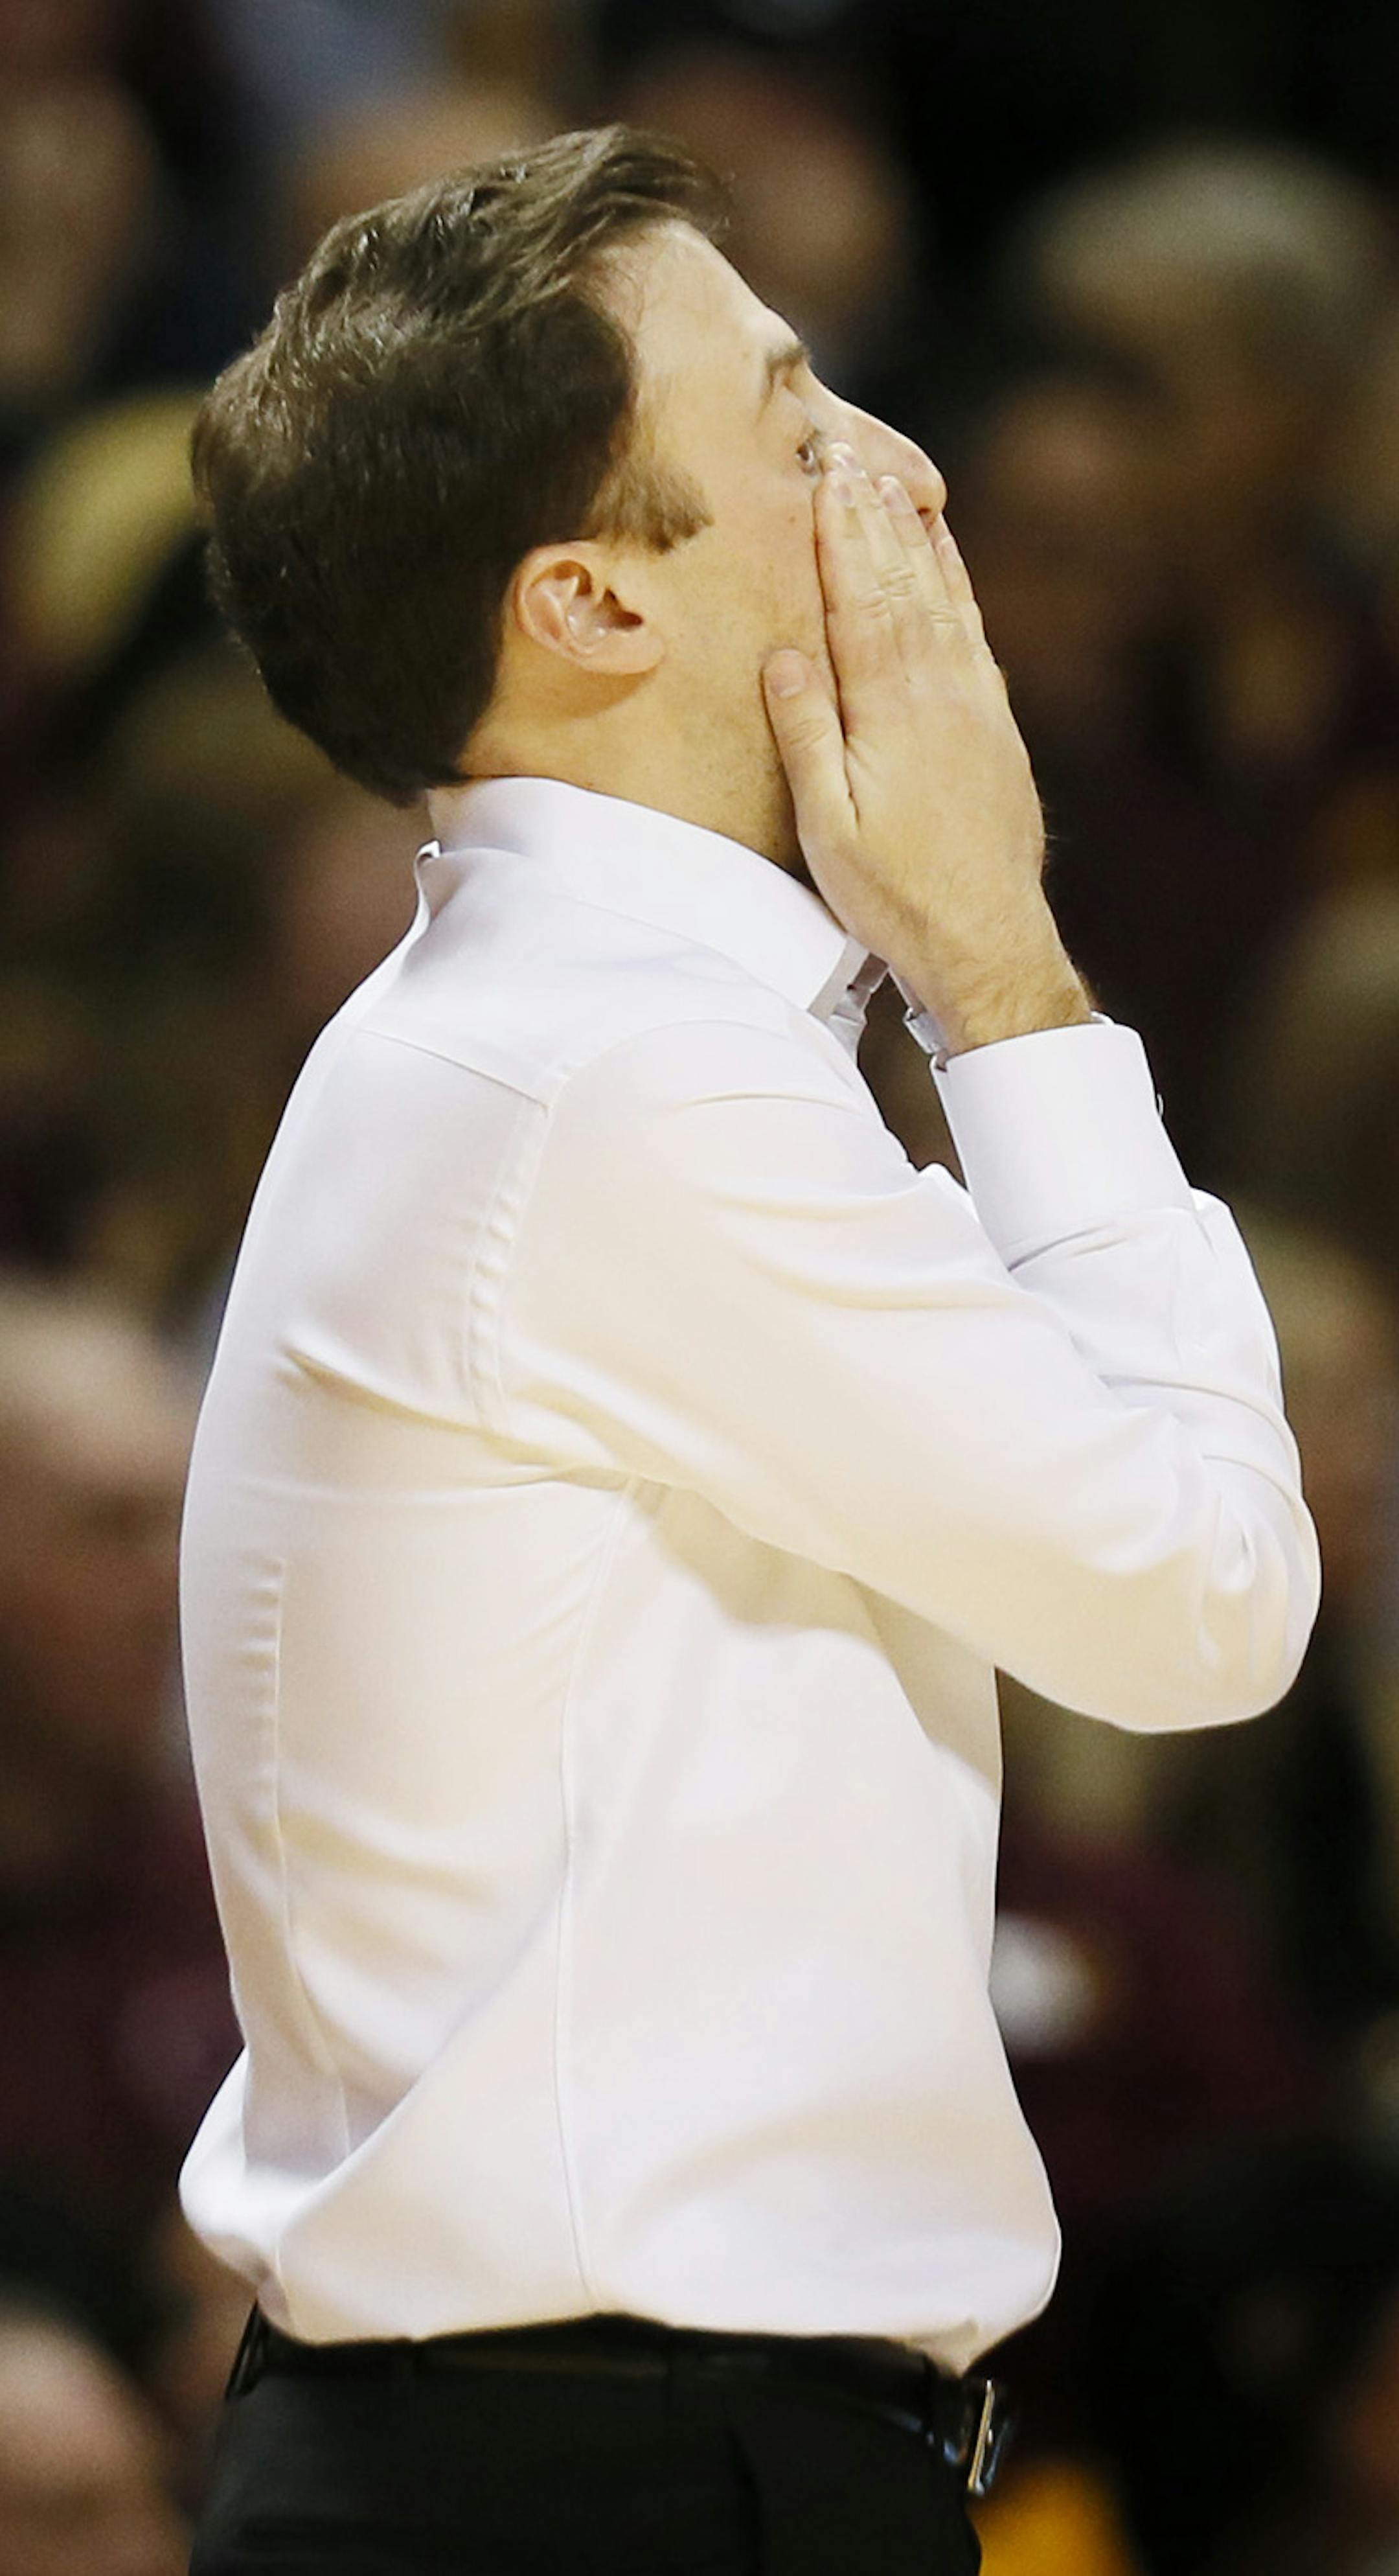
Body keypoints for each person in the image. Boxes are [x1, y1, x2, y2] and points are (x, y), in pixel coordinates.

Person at [177, 126, 1319, 2575]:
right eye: (798, 423)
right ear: (592, 600)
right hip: (603, 2481)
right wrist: (999, 966)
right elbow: (1206, 1602)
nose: (906, 478)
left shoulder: (569, 1040)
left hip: (586, 2462)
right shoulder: (614, 1077)